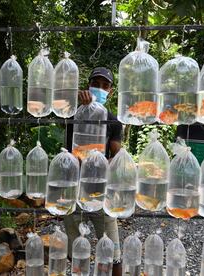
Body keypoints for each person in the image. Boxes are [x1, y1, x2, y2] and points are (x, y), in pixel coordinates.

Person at [64, 67, 123, 276]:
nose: (99, 89)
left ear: (111, 92)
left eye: (104, 86)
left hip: (101, 192)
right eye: (95, 84)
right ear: (87, 86)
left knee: (113, 250)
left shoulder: (113, 121)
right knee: (75, 250)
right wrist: (78, 107)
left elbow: (117, 155)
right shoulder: (74, 114)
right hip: (75, 189)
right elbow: (68, 151)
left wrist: (99, 163)